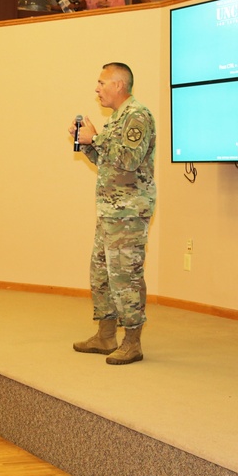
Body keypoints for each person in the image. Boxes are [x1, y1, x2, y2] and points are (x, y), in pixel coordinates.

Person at [70, 62, 156, 365]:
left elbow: (131, 159)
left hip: (129, 213)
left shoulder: (137, 116)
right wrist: (86, 144)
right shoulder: (117, 120)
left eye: (101, 82)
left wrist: (96, 138)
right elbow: (110, 162)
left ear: (119, 85)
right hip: (109, 212)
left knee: (125, 278)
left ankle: (132, 342)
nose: (97, 88)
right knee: (102, 276)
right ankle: (106, 336)